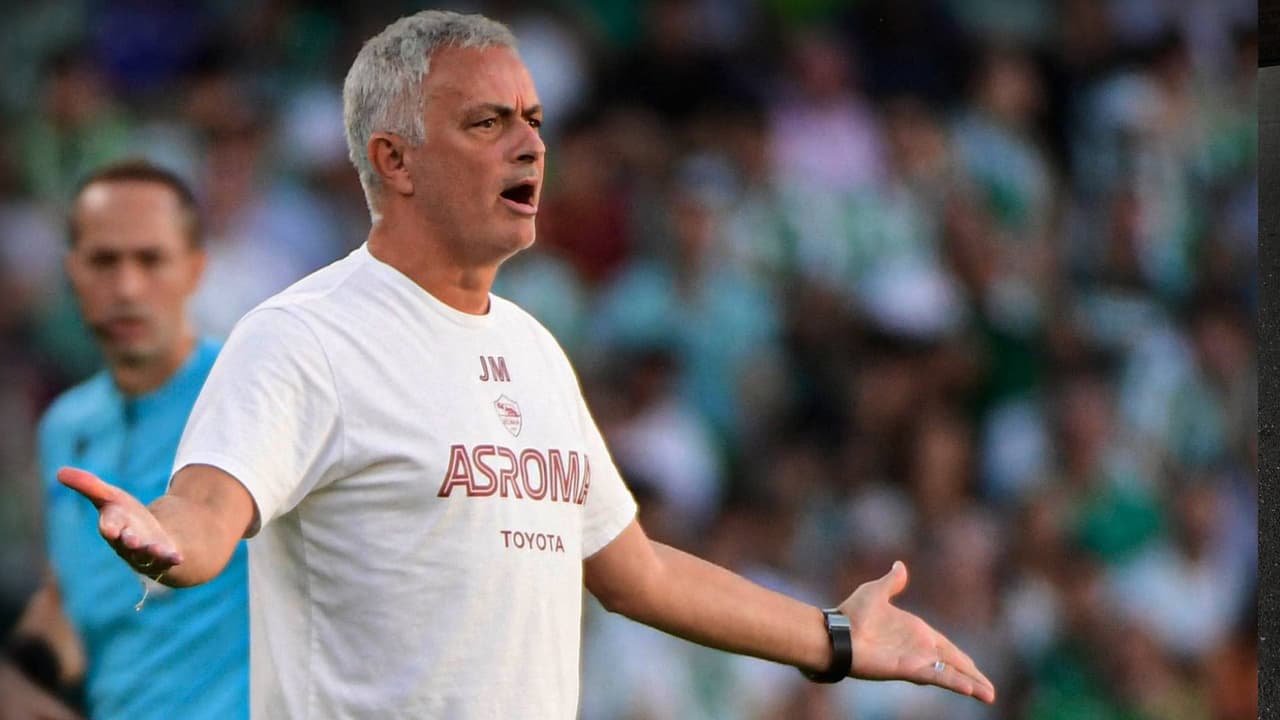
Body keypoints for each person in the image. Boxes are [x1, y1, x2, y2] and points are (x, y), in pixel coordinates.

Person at [56, 11, 996, 718]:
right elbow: (210, 510)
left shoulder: (534, 349)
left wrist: (835, 636)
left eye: (535, 120)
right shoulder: (304, 336)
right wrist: (170, 537)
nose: (533, 145)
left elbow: (635, 573)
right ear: (395, 161)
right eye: (488, 123)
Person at [2, 161, 248, 719]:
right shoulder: (65, 425)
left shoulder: (247, 391)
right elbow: (69, 603)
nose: (127, 287)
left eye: (150, 259)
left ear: (196, 268)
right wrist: (18, 680)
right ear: (72, 270)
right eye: (104, 261)